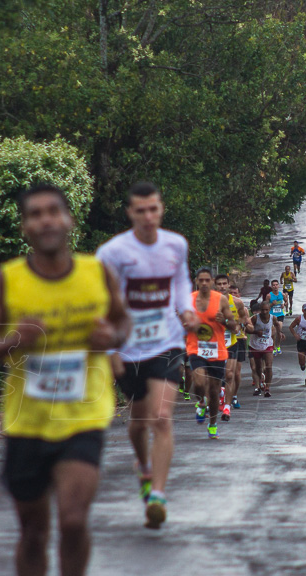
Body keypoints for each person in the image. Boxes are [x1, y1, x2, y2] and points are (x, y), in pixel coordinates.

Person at [0, 184, 131, 576]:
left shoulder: (96, 274)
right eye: (35, 214)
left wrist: (110, 335)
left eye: (53, 211)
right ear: (25, 226)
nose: (45, 220)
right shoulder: (6, 281)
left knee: (75, 520)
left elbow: (122, 325)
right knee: (34, 532)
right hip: (26, 421)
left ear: (69, 220)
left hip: (85, 414)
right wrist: (11, 342)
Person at [95, 181, 198, 530]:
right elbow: (102, 303)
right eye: (141, 210)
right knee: (138, 423)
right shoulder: (112, 253)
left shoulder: (176, 244)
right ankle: (143, 465)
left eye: (154, 208)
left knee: (161, 418)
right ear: (130, 213)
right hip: (128, 347)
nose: (149, 216)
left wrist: (185, 310)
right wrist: (110, 350)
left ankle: (157, 495)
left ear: (161, 208)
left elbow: (181, 283)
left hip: (167, 342)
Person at [187, 269, 237, 438]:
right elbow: (180, 320)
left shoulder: (221, 300)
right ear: (196, 281)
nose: (204, 283)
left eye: (207, 280)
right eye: (200, 280)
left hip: (217, 350)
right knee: (199, 381)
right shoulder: (190, 299)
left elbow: (234, 325)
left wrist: (224, 321)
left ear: (212, 281)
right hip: (196, 348)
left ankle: (213, 424)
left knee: (215, 391)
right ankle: (201, 402)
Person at [216, 275, 248, 419]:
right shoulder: (210, 302)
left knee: (229, 375)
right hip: (214, 343)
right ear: (215, 286)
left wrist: (238, 325)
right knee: (215, 376)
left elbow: (243, 318)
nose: (222, 286)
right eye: (219, 284)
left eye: (224, 284)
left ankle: (227, 407)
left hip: (231, 342)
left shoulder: (237, 302)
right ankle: (221, 394)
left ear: (229, 285)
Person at [248, 301, 282, 397]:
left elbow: (277, 325)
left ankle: (267, 388)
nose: (264, 312)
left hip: (268, 344)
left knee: (269, 366)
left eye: (266, 310)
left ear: (269, 310)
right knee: (258, 367)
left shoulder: (273, 318)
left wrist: (280, 333)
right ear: (260, 310)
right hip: (256, 345)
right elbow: (247, 328)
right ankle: (261, 381)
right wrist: (255, 332)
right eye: (262, 310)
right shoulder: (255, 318)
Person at [268, 279, 286, 355]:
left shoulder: (282, 294)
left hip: (280, 315)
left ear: (278, 286)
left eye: (276, 285)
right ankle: (273, 347)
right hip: (272, 315)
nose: (275, 286)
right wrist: (271, 304)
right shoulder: (269, 295)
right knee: (273, 332)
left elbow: (286, 301)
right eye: (273, 285)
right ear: (271, 286)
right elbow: (266, 306)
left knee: (279, 331)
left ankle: (278, 345)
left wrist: (284, 305)